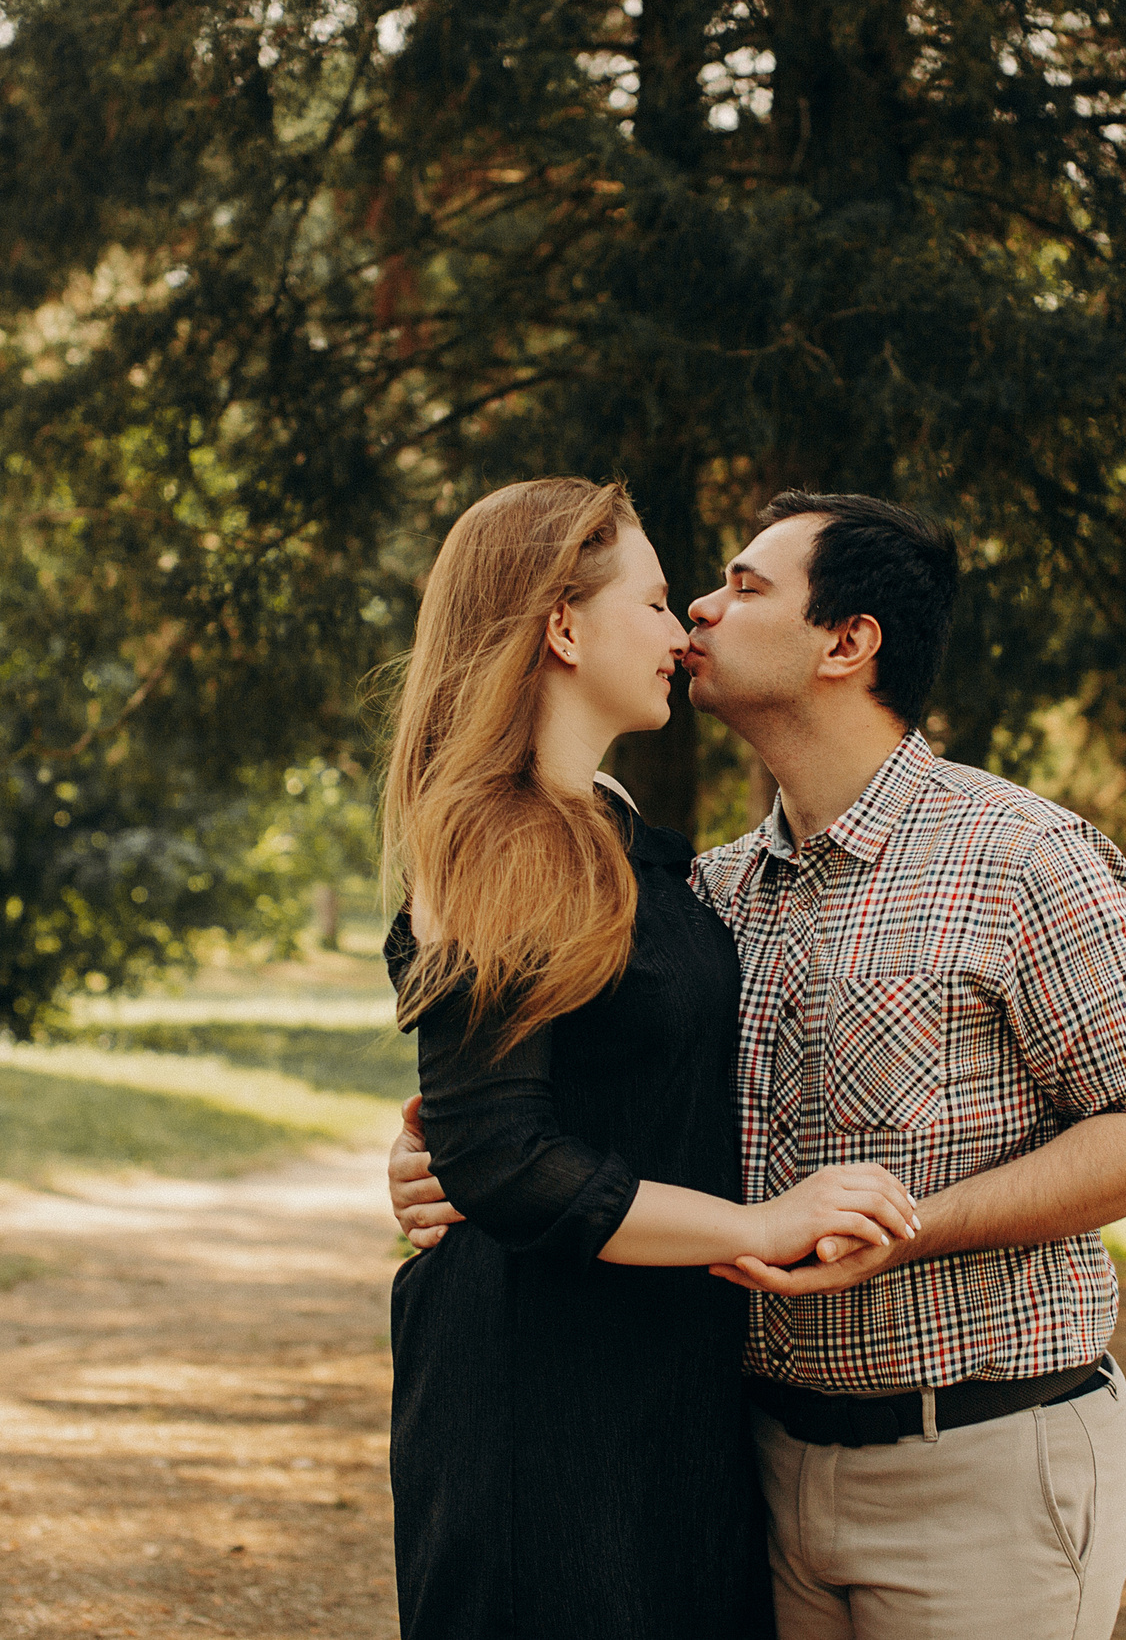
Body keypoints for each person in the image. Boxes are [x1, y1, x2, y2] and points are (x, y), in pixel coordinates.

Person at [393, 491, 1126, 1639]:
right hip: (751, 1460)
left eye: (743, 585)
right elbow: (572, 1085)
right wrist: (456, 1151)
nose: (697, 605)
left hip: (976, 1458)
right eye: (685, 587)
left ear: (847, 641)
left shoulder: (1020, 856)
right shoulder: (716, 890)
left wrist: (903, 1225)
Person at [378, 477, 923, 1640]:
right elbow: (503, 1156)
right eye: (660, 601)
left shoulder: (611, 819)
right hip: (541, 1389)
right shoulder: (491, 829)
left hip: (661, 1377)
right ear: (563, 626)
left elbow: (550, 1090)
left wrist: (448, 1142)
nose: (684, 634)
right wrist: (758, 1225)